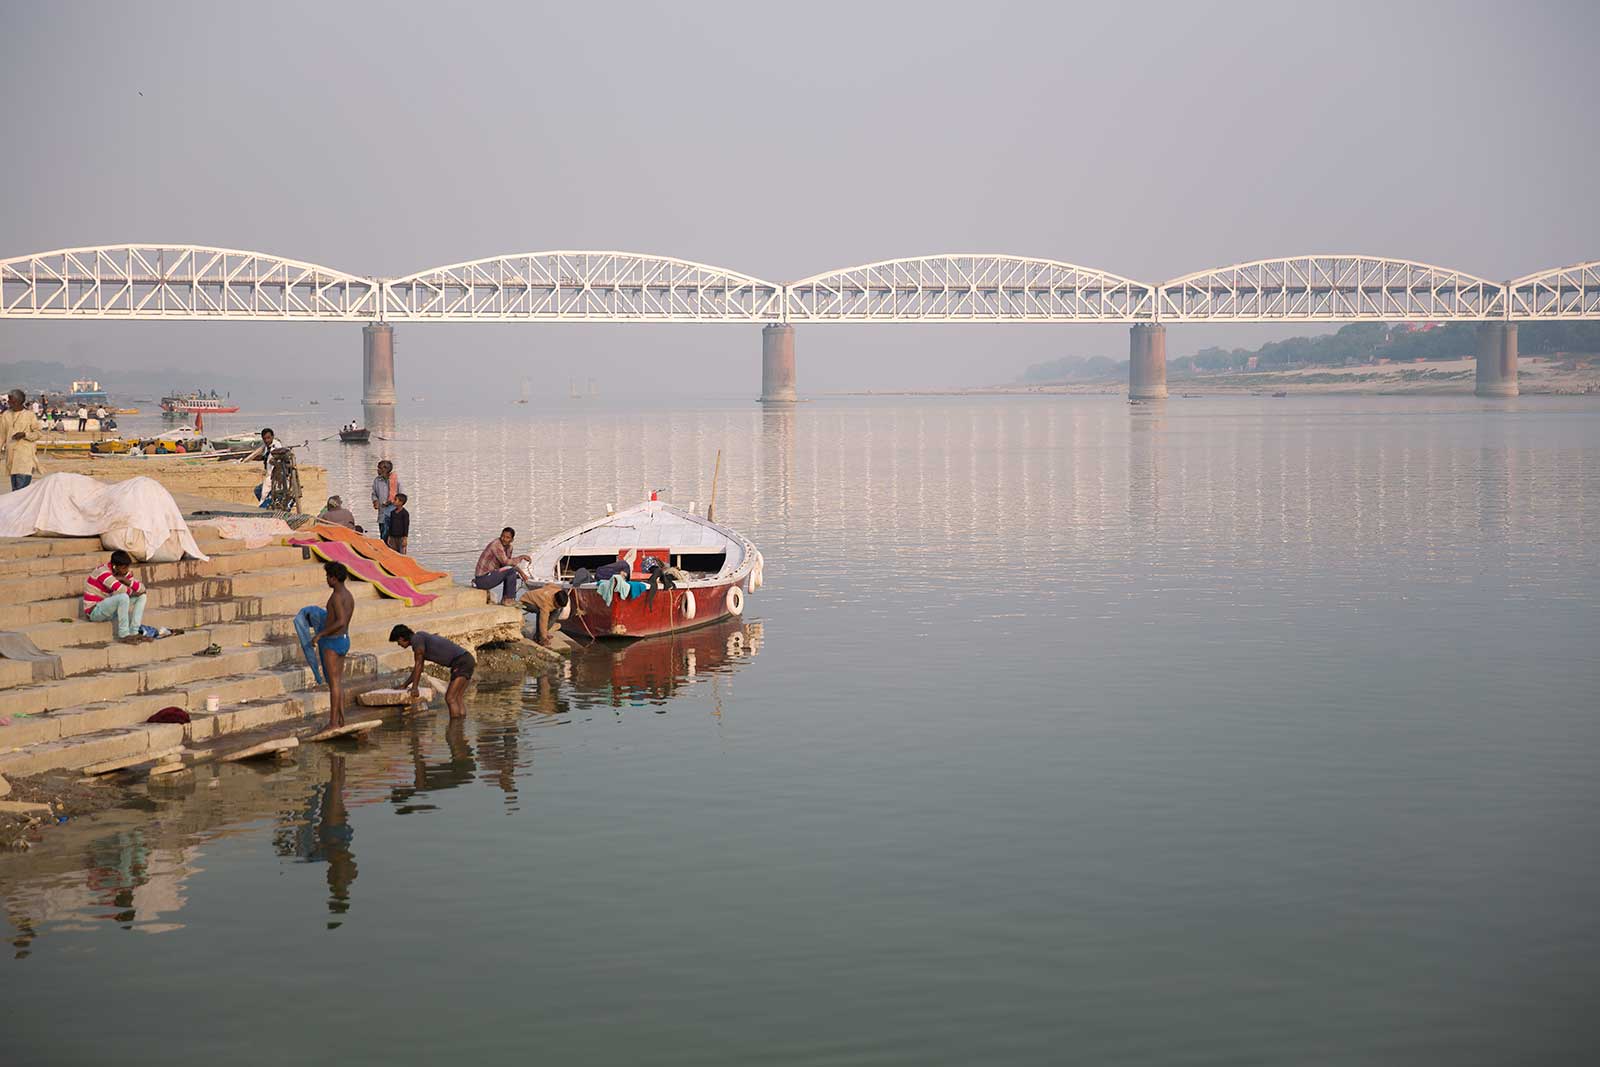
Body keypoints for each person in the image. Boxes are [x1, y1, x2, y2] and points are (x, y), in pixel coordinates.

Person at [296, 562, 354, 730]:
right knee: (338, 682)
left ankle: (333, 723)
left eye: (327, 577)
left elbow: (341, 621)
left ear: (334, 578)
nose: (326, 580)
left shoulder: (336, 596)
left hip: (332, 642)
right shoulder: (348, 595)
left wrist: (320, 634)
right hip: (344, 640)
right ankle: (342, 720)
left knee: (334, 684)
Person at [390, 624, 475, 718]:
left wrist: (414, 688)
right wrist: (405, 685)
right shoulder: (420, 636)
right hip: (467, 659)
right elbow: (418, 668)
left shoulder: (416, 641)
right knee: (457, 697)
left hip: (461, 662)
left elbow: (418, 666)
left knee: (450, 698)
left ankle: (454, 729)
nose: (399, 644)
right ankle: (460, 727)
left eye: (398, 641)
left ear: (402, 638)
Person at [83, 549, 150, 643]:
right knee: (123, 597)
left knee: (142, 597)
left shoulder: (122, 572)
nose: (126, 570)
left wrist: (126, 580)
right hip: (95, 612)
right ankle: (124, 635)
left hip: (108, 611)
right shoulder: (103, 572)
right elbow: (121, 589)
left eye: (127, 567)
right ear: (115, 566)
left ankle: (134, 632)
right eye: (124, 568)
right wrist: (132, 590)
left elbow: (142, 589)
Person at [1, 389, 42, 491]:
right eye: (9, 401)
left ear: (19, 401)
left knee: (21, 491)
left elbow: (38, 434)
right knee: (15, 491)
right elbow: (1, 435)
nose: (9, 403)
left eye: (12, 401)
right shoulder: (6, 415)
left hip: (25, 458)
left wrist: (25, 435)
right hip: (11, 457)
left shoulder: (29, 415)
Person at [473, 526, 528, 602]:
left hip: (491, 576)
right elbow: (506, 562)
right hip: (483, 579)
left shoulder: (509, 548)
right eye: (502, 536)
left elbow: (507, 566)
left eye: (507, 537)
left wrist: (521, 573)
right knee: (511, 571)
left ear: (512, 540)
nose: (504, 539)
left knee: (511, 573)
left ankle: (505, 599)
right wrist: (521, 557)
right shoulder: (496, 544)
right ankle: (509, 599)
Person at [240, 427, 279, 506]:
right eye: (264, 438)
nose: (267, 440)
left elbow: (275, 456)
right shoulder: (266, 447)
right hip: (269, 475)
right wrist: (249, 458)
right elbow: (263, 456)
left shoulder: (276, 446)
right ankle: (271, 504)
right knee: (258, 490)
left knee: (263, 497)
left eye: (268, 438)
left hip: (274, 477)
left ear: (273, 436)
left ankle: (265, 507)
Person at [371, 460, 402, 540]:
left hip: (393, 514)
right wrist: (375, 501)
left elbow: (402, 497)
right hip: (382, 514)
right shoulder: (377, 480)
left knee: (393, 538)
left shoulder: (396, 481)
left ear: (386, 469)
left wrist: (392, 502)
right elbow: (374, 494)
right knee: (383, 537)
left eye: (380, 468)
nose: (378, 470)